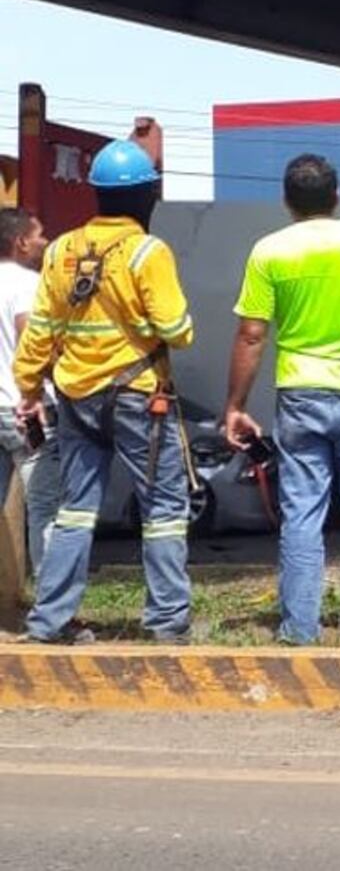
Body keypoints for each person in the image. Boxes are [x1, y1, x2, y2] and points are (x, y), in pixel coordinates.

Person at [223, 154, 340, 645]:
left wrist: (235, 405)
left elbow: (250, 335)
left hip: (300, 394)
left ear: (287, 201)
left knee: (303, 512)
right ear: (337, 196)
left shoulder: (269, 252)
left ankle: (299, 628)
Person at [15, 141, 195, 643]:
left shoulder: (62, 250)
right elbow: (177, 329)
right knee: (162, 510)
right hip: (139, 395)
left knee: (74, 509)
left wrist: (29, 386)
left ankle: (49, 621)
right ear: (146, 196)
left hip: (75, 397)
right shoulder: (147, 251)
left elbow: (42, 328)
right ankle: (166, 623)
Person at [0, 207, 59, 578]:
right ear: (21, 242)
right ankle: (54, 611)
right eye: (39, 234)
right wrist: (37, 393)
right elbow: (31, 343)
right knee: (46, 508)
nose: (45, 241)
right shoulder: (27, 283)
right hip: (24, 409)